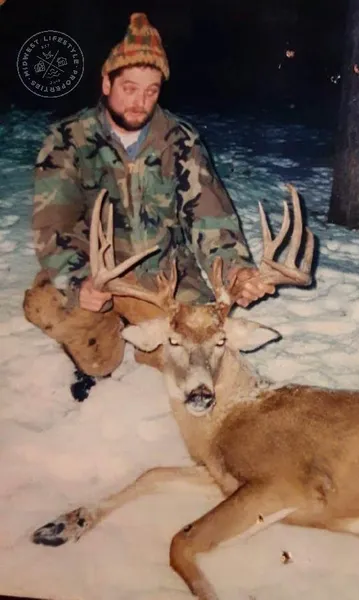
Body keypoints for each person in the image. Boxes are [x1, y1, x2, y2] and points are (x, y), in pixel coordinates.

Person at [23, 12, 274, 400]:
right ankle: (97, 353)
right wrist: (77, 281)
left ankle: (145, 341)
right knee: (49, 306)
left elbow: (209, 216)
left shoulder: (181, 140)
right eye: (129, 88)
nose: (139, 102)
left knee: (202, 351)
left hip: (166, 278)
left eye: (151, 91)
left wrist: (234, 272)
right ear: (106, 83)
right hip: (99, 275)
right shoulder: (68, 140)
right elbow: (53, 225)